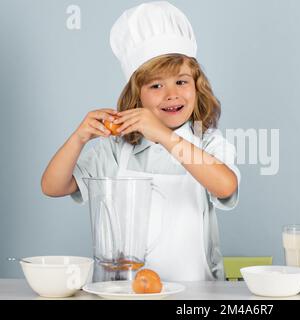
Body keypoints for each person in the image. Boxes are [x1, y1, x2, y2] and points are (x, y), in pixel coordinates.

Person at [41, 1, 240, 281]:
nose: (171, 94)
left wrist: (163, 135)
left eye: (181, 82)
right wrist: (79, 138)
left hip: (196, 293)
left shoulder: (207, 144)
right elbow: (52, 186)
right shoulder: (115, 150)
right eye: (156, 85)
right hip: (125, 291)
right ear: (137, 96)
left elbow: (225, 185)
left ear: (197, 87)